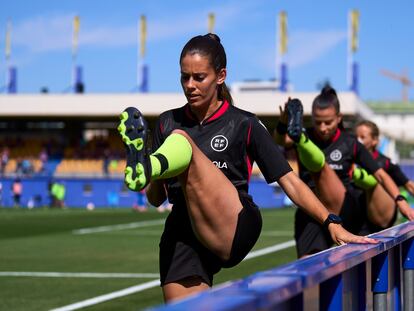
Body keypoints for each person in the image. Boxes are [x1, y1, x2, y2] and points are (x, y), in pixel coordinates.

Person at [118, 34, 376, 302]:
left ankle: (150, 164)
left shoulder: (245, 124)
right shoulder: (165, 123)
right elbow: (156, 199)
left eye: (199, 77)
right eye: (185, 77)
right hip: (186, 231)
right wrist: (153, 180)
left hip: (235, 222)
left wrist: (330, 221)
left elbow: (290, 181)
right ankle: (149, 166)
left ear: (221, 76)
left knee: (182, 142)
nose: (190, 85)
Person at [275, 87, 414, 258]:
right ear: (311, 119)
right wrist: (282, 124)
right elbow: (281, 141)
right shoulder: (310, 133)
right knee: (308, 266)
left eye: (328, 122)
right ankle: (301, 140)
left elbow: (380, 174)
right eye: (318, 122)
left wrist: (400, 200)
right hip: (311, 211)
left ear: (338, 118)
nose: (323, 128)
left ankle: (302, 142)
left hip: (345, 208)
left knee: (321, 168)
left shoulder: (350, 143)